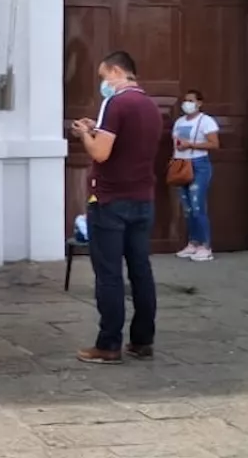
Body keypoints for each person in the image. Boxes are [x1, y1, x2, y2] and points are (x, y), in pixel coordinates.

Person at [69, 51, 161, 365]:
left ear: (117, 71)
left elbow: (101, 154)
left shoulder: (116, 102)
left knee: (108, 274)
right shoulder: (150, 105)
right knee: (140, 270)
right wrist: (99, 127)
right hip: (143, 198)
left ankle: (108, 344)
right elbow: (128, 143)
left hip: (110, 201)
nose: (102, 83)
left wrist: (84, 134)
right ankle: (142, 340)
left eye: (103, 76)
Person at [172, 88, 219, 262]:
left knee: (198, 205)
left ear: (199, 103)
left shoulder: (206, 122)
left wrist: (190, 145)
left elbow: (214, 144)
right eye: (186, 100)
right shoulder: (179, 122)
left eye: (191, 100)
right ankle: (193, 242)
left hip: (199, 165)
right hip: (181, 164)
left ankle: (205, 246)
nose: (187, 104)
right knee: (187, 208)